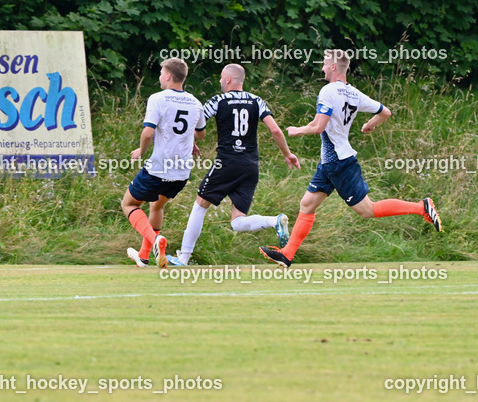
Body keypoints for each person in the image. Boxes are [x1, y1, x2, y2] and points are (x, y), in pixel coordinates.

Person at [260, 49, 441, 267]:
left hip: (338, 161)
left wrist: (296, 130)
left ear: (334, 66)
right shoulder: (354, 93)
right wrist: (370, 125)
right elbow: (386, 112)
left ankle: (421, 207)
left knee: (367, 210)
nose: (323, 67)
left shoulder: (328, 91)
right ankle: (288, 254)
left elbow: (318, 127)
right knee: (307, 204)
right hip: (331, 162)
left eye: (326, 64)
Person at [169, 63, 300, 266]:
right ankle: (275, 221)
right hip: (250, 165)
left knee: (200, 205)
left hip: (227, 162)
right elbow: (275, 130)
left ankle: (183, 258)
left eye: (222, 78)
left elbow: (197, 124)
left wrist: (192, 141)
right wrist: (288, 154)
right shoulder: (257, 101)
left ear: (228, 79)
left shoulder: (218, 100)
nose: (220, 81)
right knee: (238, 222)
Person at [123, 58, 205, 268]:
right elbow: (200, 133)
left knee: (129, 204)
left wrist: (141, 151)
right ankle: (143, 256)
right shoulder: (196, 102)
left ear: (168, 76)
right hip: (181, 172)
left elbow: (148, 131)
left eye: (161, 73)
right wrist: (191, 141)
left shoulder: (158, 98)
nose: (160, 76)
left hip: (159, 168)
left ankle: (155, 240)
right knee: (156, 206)